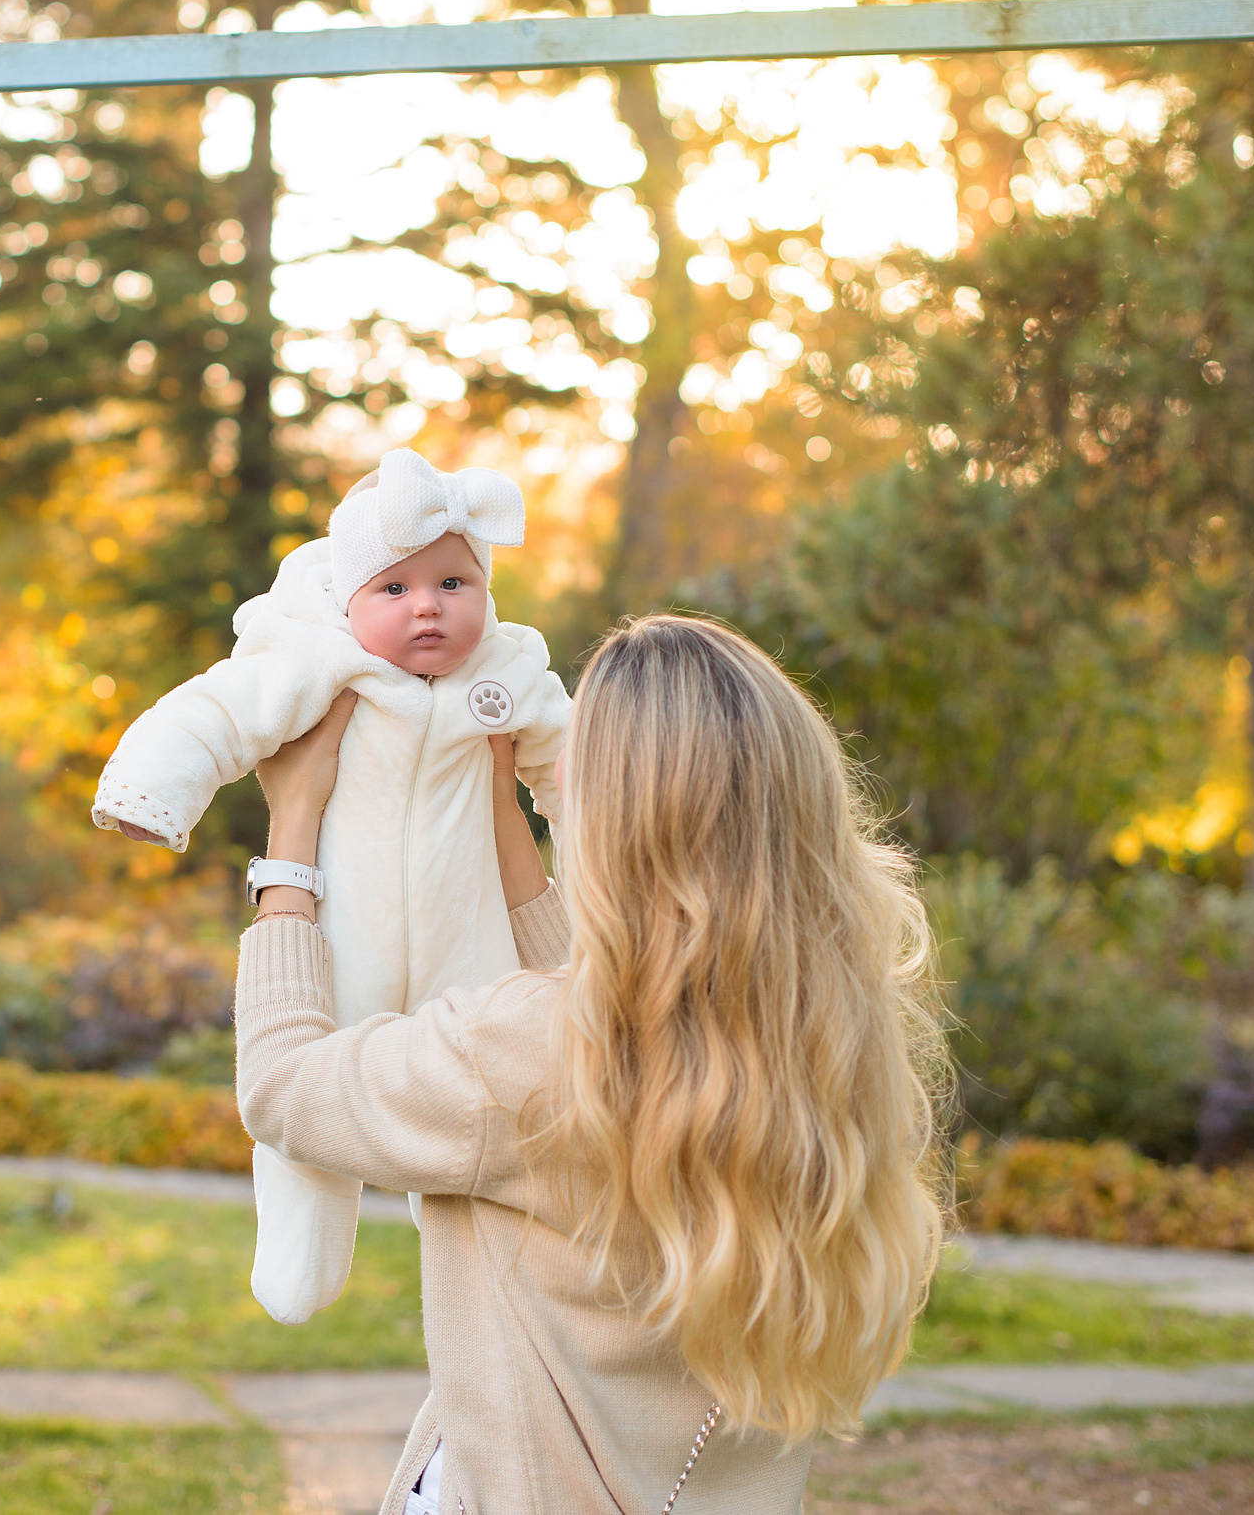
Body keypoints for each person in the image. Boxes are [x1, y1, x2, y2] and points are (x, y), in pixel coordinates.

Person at [236, 614, 948, 1514]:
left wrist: (290, 832)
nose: (559, 759)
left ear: (617, 804)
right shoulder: (825, 1046)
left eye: (583, 743)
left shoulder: (524, 1055)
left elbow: (285, 1082)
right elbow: (616, 1013)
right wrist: (509, 838)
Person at [92, 447, 571, 1324]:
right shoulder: (318, 661)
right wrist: (152, 794)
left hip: (473, 946)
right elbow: (213, 714)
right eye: (395, 588)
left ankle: (502, 1274)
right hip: (343, 936)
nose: (428, 604)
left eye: (454, 583)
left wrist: (608, 847)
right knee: (312, 1090)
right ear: (349, 599)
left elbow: (578, 768)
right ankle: (302, 1250)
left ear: (488, 593)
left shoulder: (509, 673)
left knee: (503, 1093)